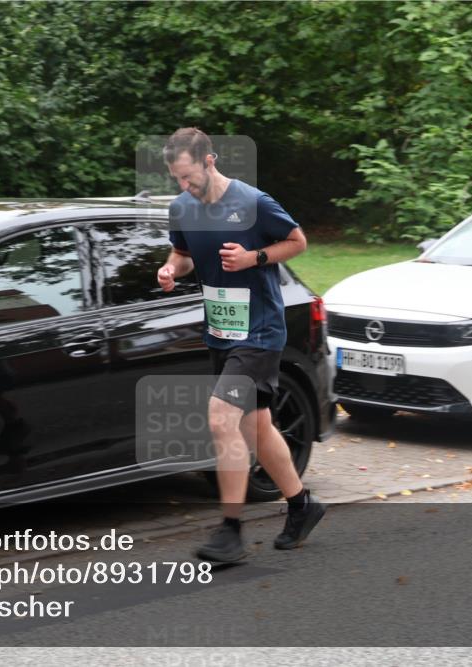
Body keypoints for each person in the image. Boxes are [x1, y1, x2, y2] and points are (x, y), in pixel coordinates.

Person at [156, 127, 326, 562]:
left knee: (220, 417)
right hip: (221, 331)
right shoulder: (182, 207)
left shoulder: (253, 203)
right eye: (177, 178)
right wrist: (171, 269)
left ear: (210, 161)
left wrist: (255, 258)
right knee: (255, 425)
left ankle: (231, 529)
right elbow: (183, 252)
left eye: (190, 176)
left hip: (260, 332)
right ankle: (302, 505)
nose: (185, 186)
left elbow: (298, 241)